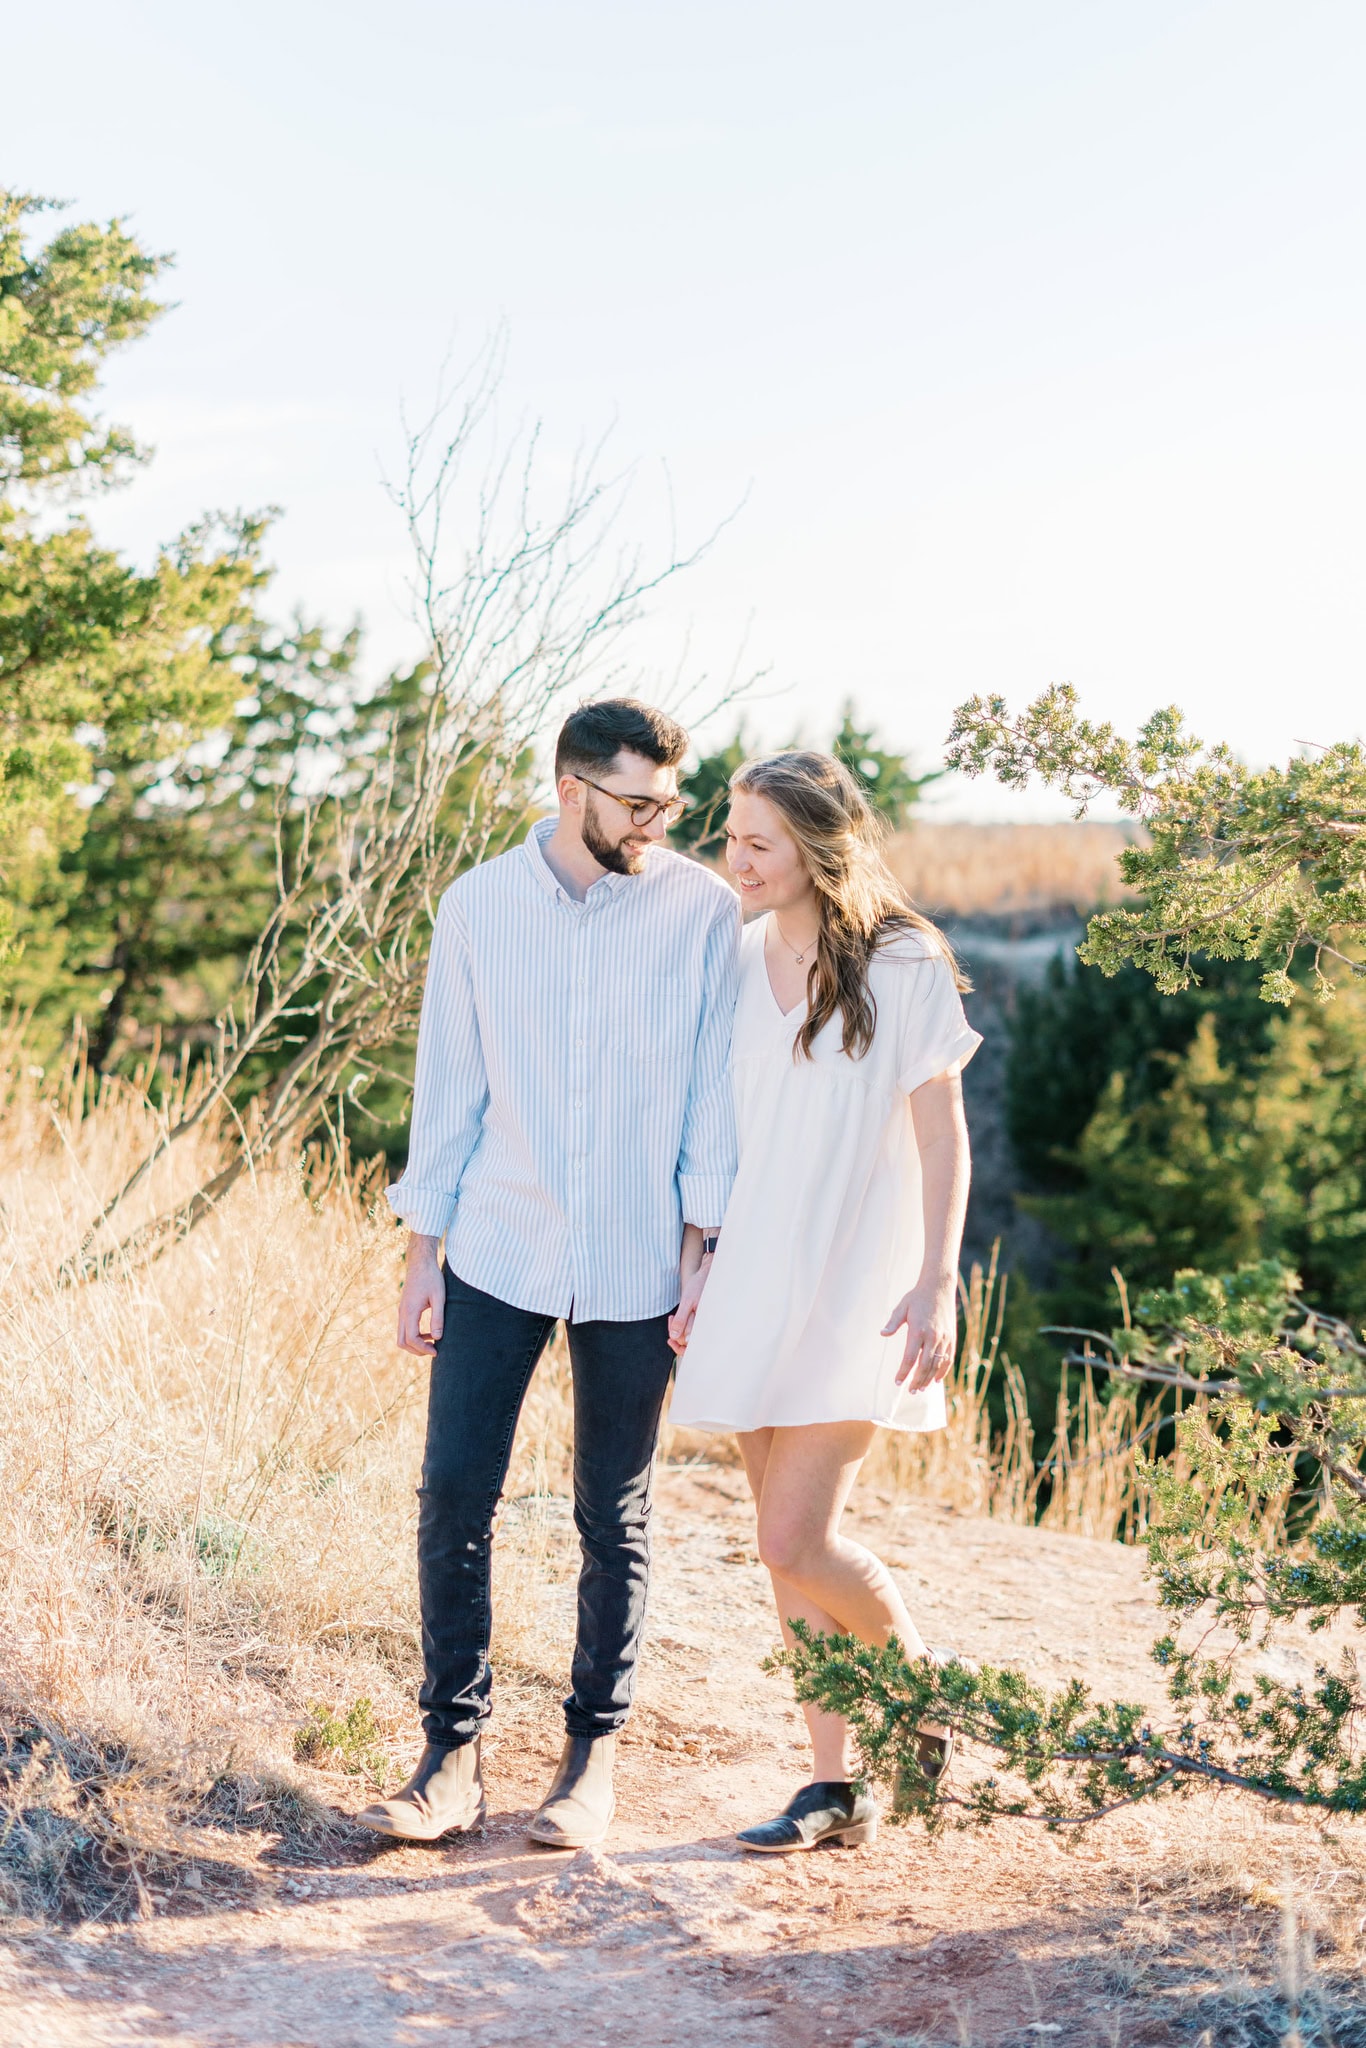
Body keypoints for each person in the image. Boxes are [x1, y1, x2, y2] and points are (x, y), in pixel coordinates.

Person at [358, 698, 740, 1851]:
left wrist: (699, 1246)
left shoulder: (702, 912)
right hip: (497, 1243)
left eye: (670, 800)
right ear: (573, 789)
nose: (662, 821)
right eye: (640, 801)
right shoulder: (477, 907)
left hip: (636, 1255)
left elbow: (711, 1095)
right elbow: (449, 1088)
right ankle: (450, 1755)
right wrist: (421, 1253)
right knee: (453, 1492)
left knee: (611, 1511)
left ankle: (591, 1759)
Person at [668, 750, 980, 1853]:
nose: (733, 859)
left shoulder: (903, 959)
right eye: (729, 836)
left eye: (756, 840)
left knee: (799, 1533)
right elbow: (719, 1127)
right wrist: (697, 1257)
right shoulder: (740, 953)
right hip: (748, 1274)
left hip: (860, 1283)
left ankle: (923, 1695)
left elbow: (942, 1135)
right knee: (776, 1545)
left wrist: (936, 1278)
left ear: (815, 845)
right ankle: (830, 1782)